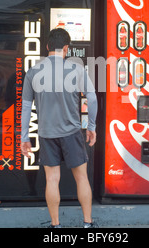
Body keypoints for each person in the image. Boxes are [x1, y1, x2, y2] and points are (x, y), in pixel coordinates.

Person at [21, 28, 98, 228]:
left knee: (52, 179)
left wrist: (24, 137)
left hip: (46, 134)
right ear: (66, 48)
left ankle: (56, 226)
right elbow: (92, 97)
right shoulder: (76, 69)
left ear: (47, 47)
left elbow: (27, 106)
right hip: (72, 133)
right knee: (81, 178)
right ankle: (88, 224)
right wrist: (91, 126)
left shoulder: (33, 72)